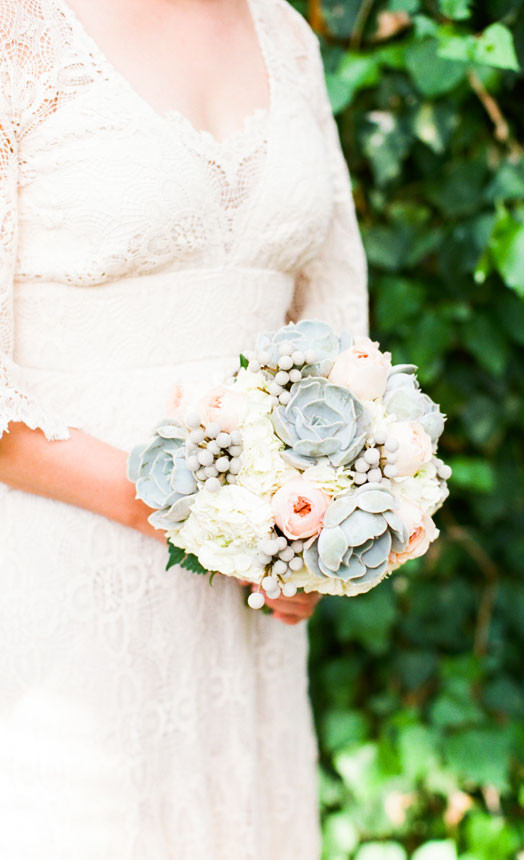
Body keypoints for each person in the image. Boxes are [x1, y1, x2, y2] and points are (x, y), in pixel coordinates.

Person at [0, 0, 368, 855]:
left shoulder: (284, 34)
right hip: (60, 589)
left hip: (244, 607)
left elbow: (338, 315)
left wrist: (323, 520)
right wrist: (184, 508)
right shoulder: (20, 32)